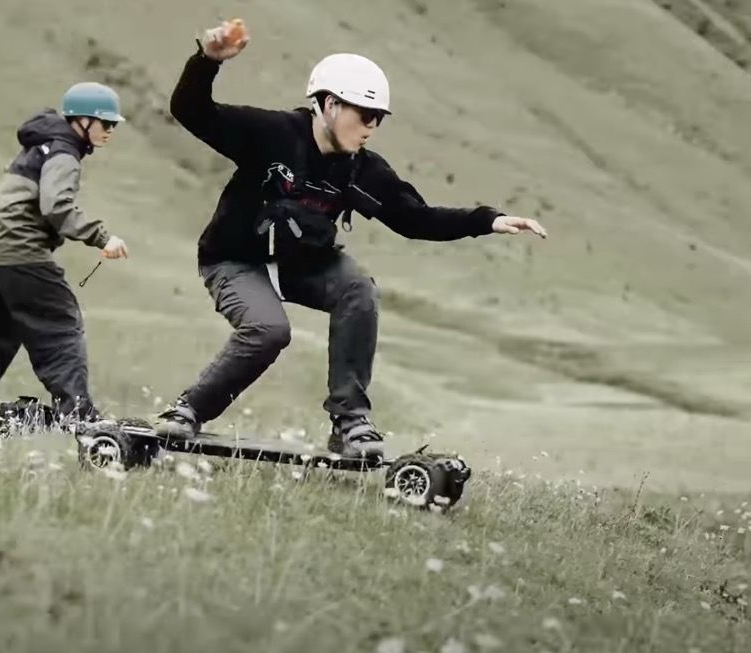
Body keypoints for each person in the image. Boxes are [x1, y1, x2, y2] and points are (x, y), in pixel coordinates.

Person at [154, 22, 549, 458]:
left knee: (358, 290)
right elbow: (192, 111)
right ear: (328, 104)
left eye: (378, 119)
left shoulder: (361, 169)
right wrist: (206, 61)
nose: (371, 127)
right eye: (364, 115)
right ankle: (188, 411)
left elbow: (414, 218)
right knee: (269, 332)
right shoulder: (272, 134)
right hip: (234, 260)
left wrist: (487, 220)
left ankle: (351, 423)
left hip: (307, 265)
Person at [0, 81, 130, 427]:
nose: (110, 132)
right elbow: (56, 205)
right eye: (106, 124)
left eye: (114, 125)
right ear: (83, 122)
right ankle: (78, 414)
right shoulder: (63, 152)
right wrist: (101, 237)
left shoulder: (38, 148)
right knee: (61, 328)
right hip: (21, 252)